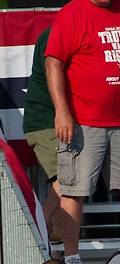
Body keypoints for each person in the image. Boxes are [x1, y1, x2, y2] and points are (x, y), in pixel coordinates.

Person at [45, 0, 120, 264]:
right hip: (81, 121)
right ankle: (71, 260)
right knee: (74, 190)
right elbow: (53, 62)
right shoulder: (72, 12)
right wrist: (62, 111)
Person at [23, 27, 62, 244]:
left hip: (51, 122)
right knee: (67, 180)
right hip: (45, 122)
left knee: (67, 181)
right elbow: (54, 74)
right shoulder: (54, 36)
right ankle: (39, 226)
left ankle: (53, 231)